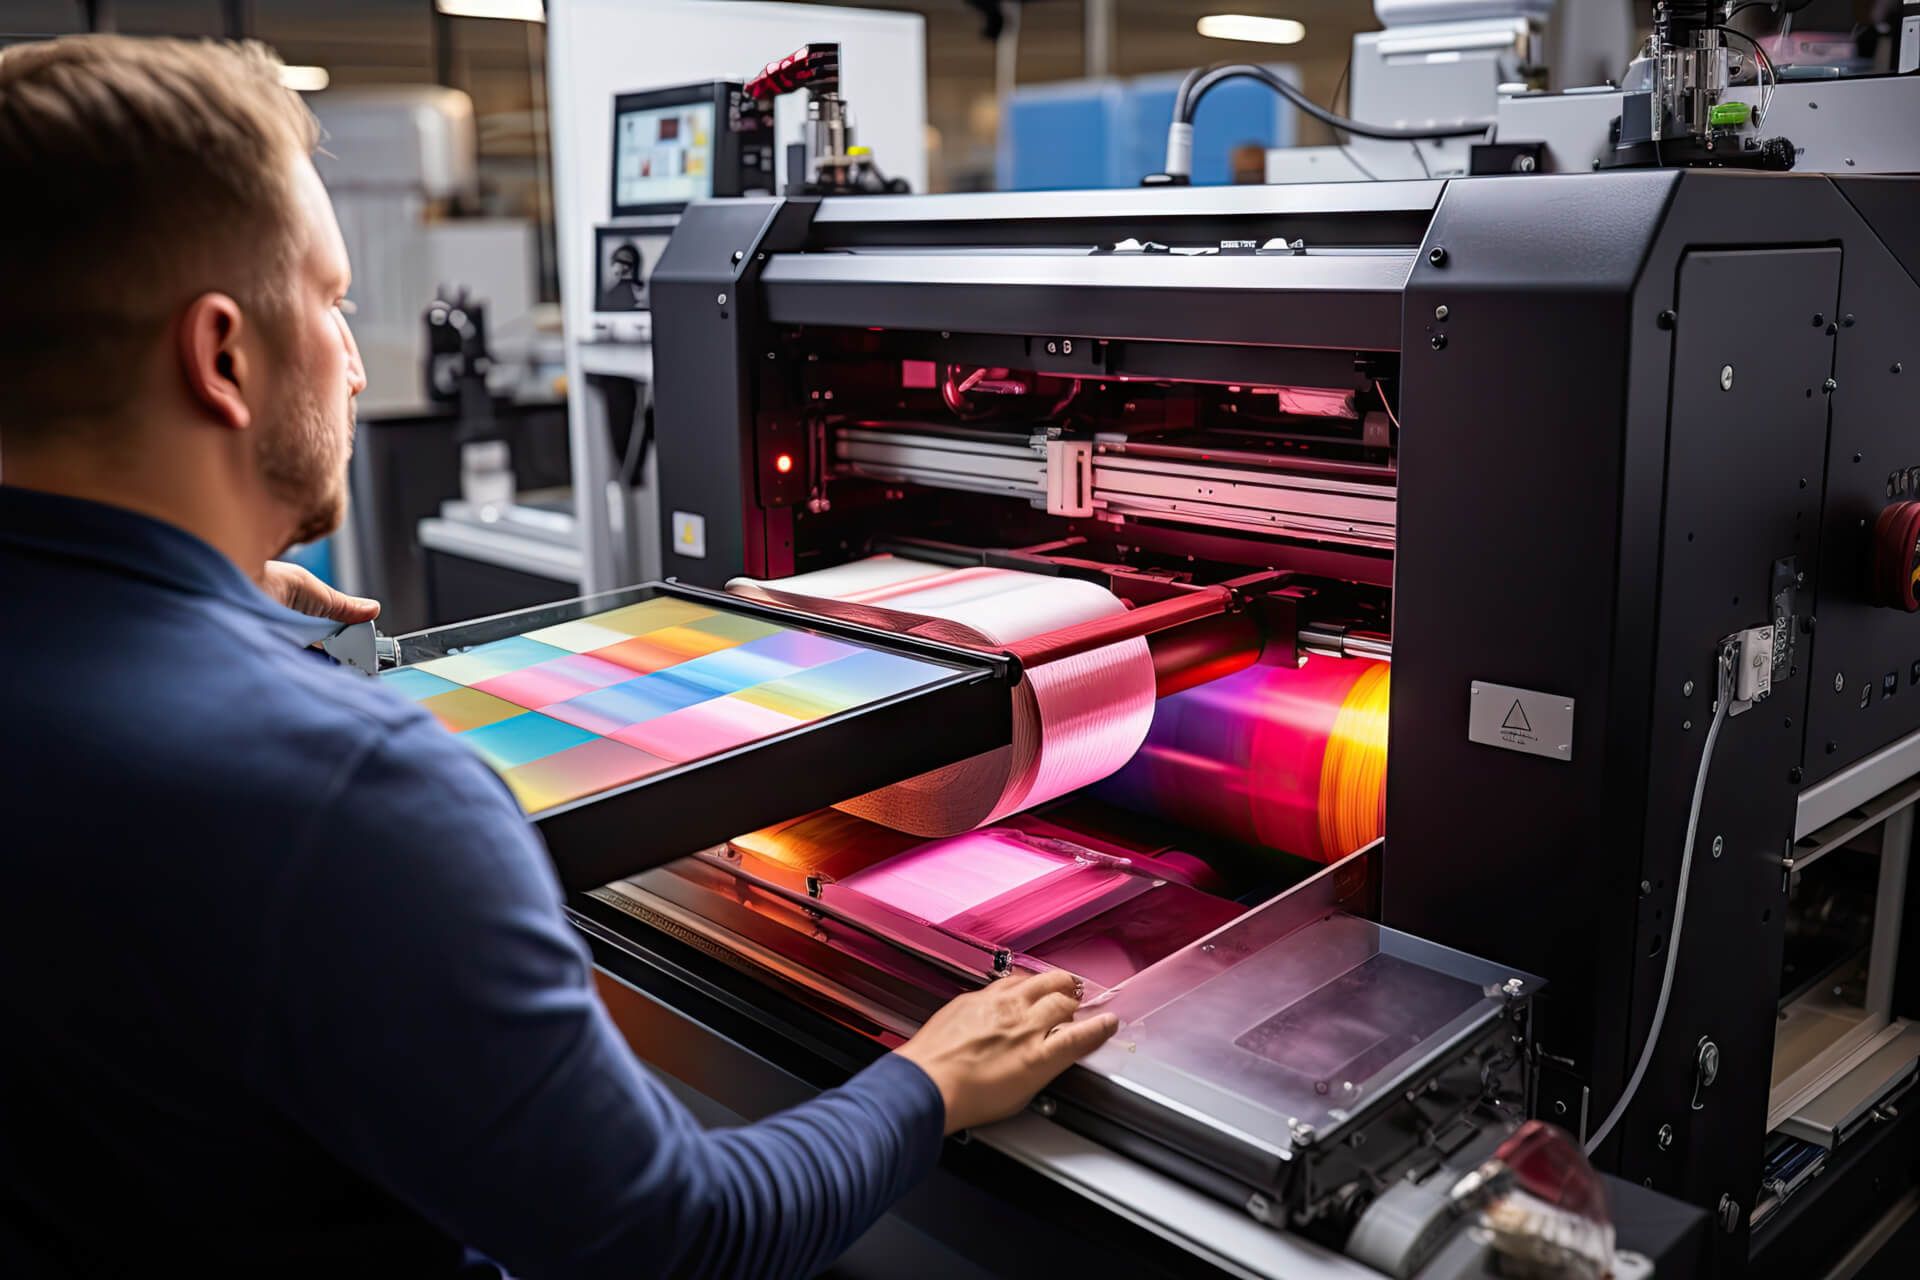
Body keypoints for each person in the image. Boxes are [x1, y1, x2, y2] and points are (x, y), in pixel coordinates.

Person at [0, 35, 1118, 1279]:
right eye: (330, 300)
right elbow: (674, 1232)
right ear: (223, 360)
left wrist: (207, 587)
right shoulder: (352, 792)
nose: (359, 364)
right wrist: (933, 1078)